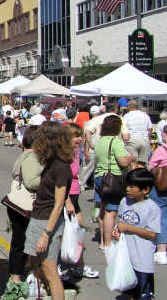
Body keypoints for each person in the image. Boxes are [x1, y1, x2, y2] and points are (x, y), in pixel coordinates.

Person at [23, 122, 73, 300]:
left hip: (47, 222)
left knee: (50, 271)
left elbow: (58, 204)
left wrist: (46, 234)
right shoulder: (52, 163)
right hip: (39, 217)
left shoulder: (60, 167)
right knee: (38, 265)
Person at [112, 168, 161, 300]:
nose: (127, 189)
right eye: (127, 185)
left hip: (142, 259)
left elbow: (152, 234)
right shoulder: (124, 202)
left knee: (143, 294)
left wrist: (128, 227)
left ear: (145, 190)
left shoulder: (153, 208)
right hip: (127, 256)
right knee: (129, 291)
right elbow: (122, 222)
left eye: (132, 186)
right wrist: (117, 231)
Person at [4, 127, 43, 288]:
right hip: (24, 205)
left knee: (19, 240)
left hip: (16, 204)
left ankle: (18, 271)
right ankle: (17, 274)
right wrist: (49, 180)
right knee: (23, 241)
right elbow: (31, 182)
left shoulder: (25, 154)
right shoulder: (32, 157)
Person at [93, 114, 135, 249]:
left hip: (99, 176)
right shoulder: (115, 141)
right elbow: (123, 161)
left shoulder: (99, 141)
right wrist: (131, 158)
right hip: (112, 178)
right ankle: (108, 243)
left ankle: (102, 241)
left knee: (102, 209)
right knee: (111, 212)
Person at [64, 123, 99, 279]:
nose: (79, 139)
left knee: (77, 230)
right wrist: (67, 201)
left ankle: (79, 264)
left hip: (74, 193)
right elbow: (60, 180)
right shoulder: (63, 153)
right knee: (66, 231)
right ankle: (62, 264)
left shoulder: (75, 150)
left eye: (80, 136)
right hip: (66, 196)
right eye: (76, 136)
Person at [149, 124, 167, 265]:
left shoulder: (161, 150)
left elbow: (151, 167)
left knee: (161, 217)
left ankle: (161, 251)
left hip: (161, 187)